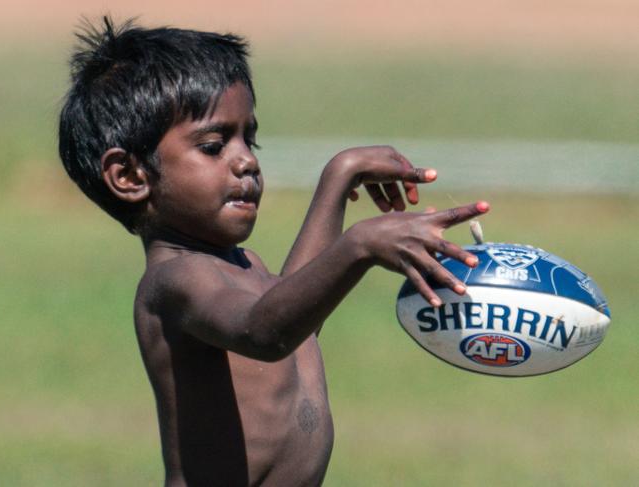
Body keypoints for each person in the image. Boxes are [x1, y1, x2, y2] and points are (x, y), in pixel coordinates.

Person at [58, 17, 489, 487]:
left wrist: (339, 176)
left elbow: (295, 327)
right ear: (130, 176)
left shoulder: (243, 266)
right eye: (213, 145)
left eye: (250, 138)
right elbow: (267, 333)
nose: (246, 161)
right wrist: (360, 245)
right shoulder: (174, 282)